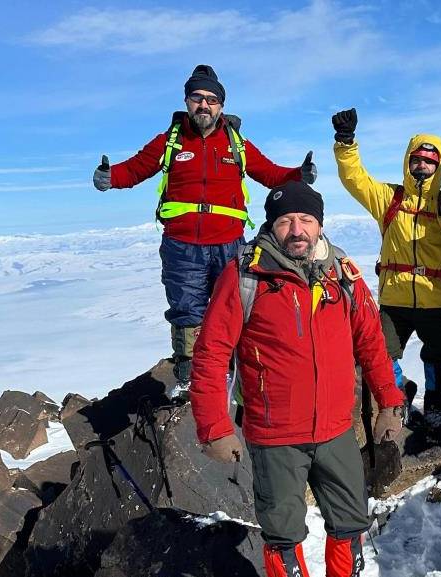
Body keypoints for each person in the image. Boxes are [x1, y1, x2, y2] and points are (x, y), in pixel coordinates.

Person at [189, 181, 404, 577]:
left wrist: (389, 402)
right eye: (286, 221)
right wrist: (215, 427)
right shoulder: (245, 275)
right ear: (272, 226)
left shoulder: (342, 272)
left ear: (319, 225)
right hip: (276, 436)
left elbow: (371, 342)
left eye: (306, 219)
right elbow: (211, 354)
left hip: (336, 430)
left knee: (350, 525)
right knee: (283, 537)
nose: (297, 230)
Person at [93, 64, 316, 394]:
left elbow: (269, 173)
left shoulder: (236, 144)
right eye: (197, 98)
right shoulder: (170, 141)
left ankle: (237, 369)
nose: (204, 105)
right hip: (182, 245)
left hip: (230, 244)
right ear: (187, 101)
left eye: (211, 100)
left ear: (221, 106)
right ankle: (189, 378)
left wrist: (298, 174)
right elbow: (136, 168)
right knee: (187, 308)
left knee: (234, 305)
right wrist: (110, 177)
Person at [331, 108, 441, 428]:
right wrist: (346, 143)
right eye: (417, 159)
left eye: (430, 161)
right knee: (381, 352)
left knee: (437, 356)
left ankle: (436, 406)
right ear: (408, 161)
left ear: (439, 166)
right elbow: (354, 178)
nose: (422, 166)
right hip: (395, 298)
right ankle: (398, 395)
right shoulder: (389, 198)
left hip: (437, 299)